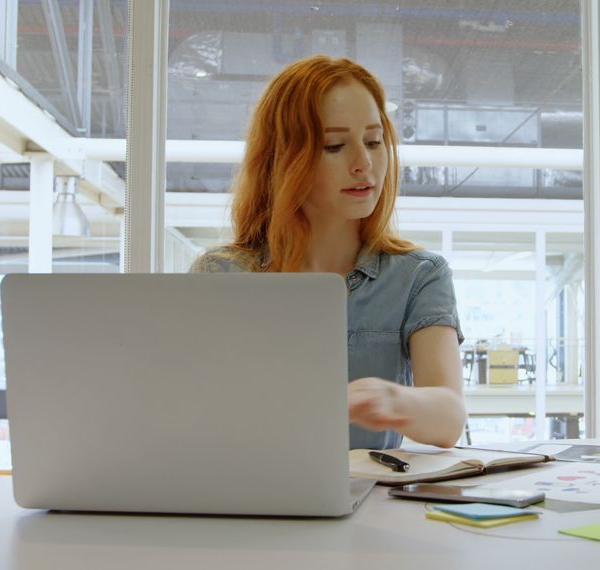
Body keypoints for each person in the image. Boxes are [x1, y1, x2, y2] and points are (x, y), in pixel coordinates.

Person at [189, 55, 466, 450]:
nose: (364, 163)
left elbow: (448, 420)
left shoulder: (419, 276)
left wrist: (398, 400)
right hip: (253, 501)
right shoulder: (221, 275)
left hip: (372, 509)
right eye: (335, 146)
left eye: (374, 141)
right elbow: (195, 413)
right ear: (284, 158)